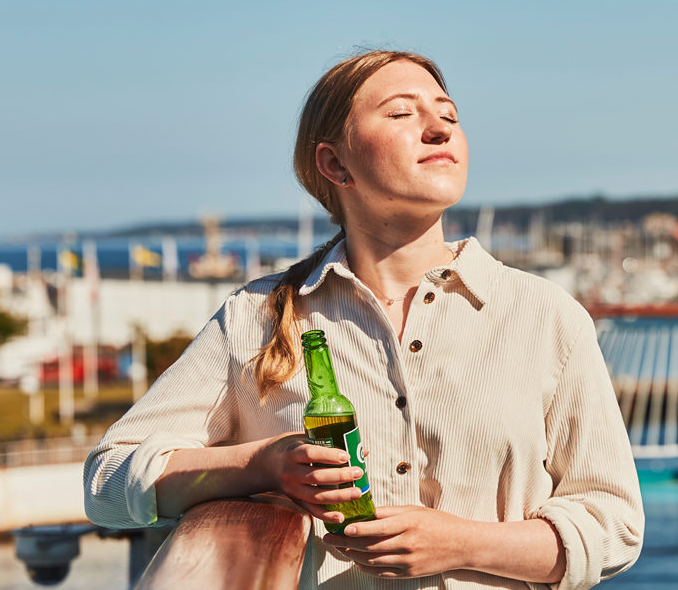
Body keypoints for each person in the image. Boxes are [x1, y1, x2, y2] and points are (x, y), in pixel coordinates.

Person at [84, 50, 644, 589]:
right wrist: (265, 464)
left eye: (449, 115)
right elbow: (108, 480)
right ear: (334, 164)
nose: (439, 129)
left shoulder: (547, 317)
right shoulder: (256, 318)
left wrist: (464, 543)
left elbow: (614, 526)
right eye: (401, 114)